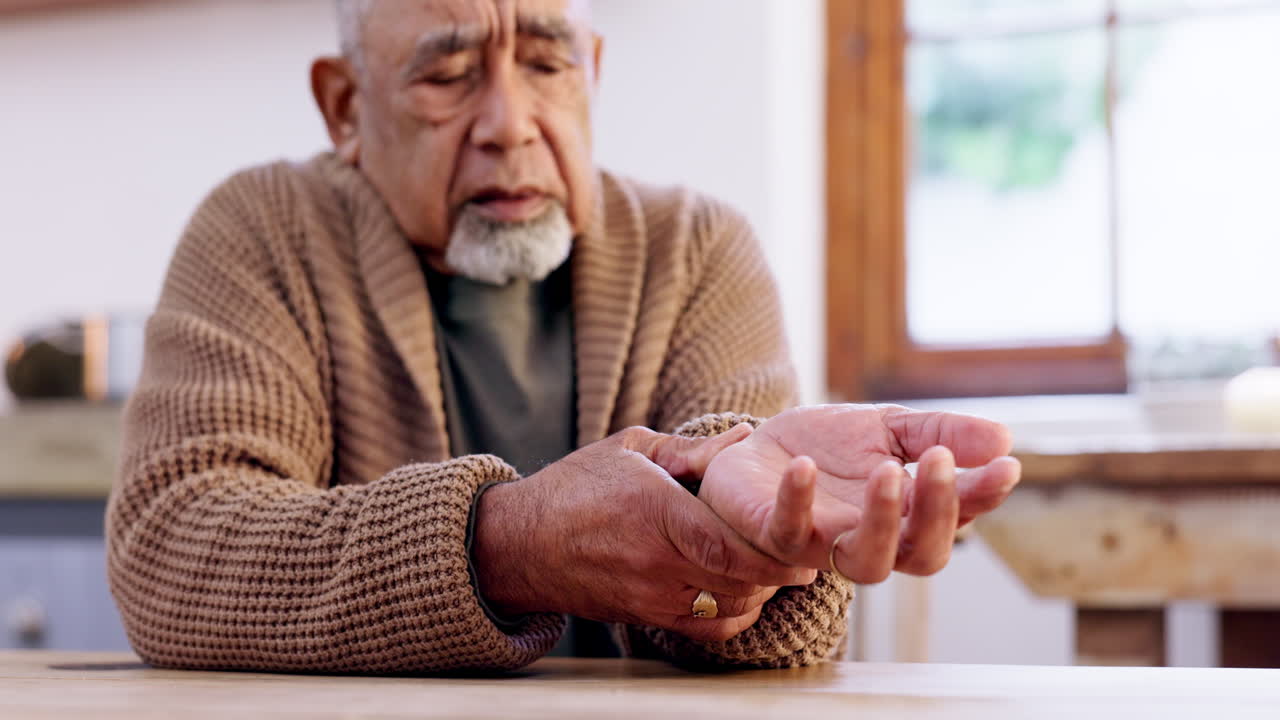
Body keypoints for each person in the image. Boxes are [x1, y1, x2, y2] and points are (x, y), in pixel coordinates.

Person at [105, 0, 1021, 673]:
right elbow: (169, 548)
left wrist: (754, 540)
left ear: (593, 72)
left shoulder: (698, 249)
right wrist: (511, 543)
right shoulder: (261, 233)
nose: (510, 125)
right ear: (345, 105)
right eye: (447, 76)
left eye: (548, 64)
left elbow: (767, 639)